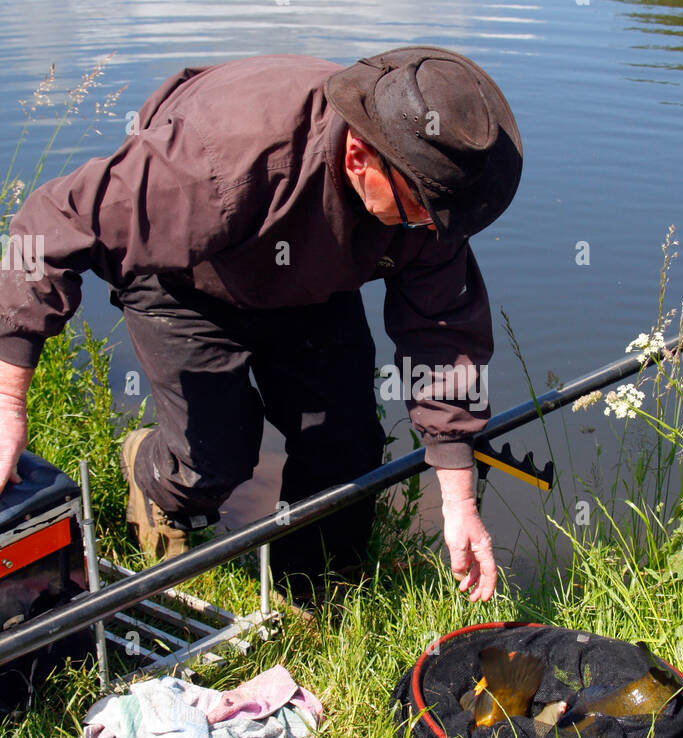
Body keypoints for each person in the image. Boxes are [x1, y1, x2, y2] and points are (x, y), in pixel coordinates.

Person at [0, 47, 522, 604]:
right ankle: (157, 481)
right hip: (185, 275)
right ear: (358, 159)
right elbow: (51, 226)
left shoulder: (429, 194)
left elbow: (443, 334)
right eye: (420, 211)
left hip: (307, 278)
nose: (429, 229)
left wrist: (458, 499)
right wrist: (8, 403)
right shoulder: (214, 163)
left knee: (346, 447)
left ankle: (310, 593)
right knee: (212, 460)